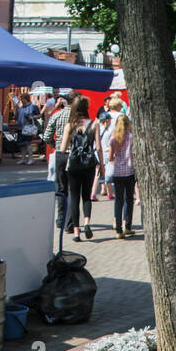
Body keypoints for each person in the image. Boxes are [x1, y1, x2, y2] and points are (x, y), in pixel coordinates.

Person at [60, 96, 103, 242]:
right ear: (86, 108)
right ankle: (87, 222)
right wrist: (101, 165)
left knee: (74, 196)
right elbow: (98, 146)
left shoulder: (70, 125)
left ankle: (76, 232)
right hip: (89, 164)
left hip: (73, 165)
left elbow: (63, 148)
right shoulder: (94, 124)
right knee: (86, 195)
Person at [44, 89, 78, 229]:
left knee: (61, 188)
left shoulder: (57, 115)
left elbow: (46, 136)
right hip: (74, 154)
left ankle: (60, 219)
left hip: (59, 154)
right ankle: (70, 222)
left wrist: (55, 145)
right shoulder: (79, 118)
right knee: (72, 189)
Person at [108, 109, 135, 238]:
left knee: (118, 200)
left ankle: (118, 229)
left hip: (117, 171)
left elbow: (110, 157)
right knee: (129, 199)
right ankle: (127, 226)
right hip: (130, 170)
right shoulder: (131, 137)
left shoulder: (113, 137)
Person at [16, 91, 40, 166]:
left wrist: (32, 117)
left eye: (22, 99)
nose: (22, 100)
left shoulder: (33, 107)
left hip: (28, 128)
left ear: (26, 99)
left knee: (28, 144)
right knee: (22, 144)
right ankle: (23, 159)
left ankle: (31, 159)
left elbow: (39, 115)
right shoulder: (20, 108)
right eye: (21, 99)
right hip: (21, 127)